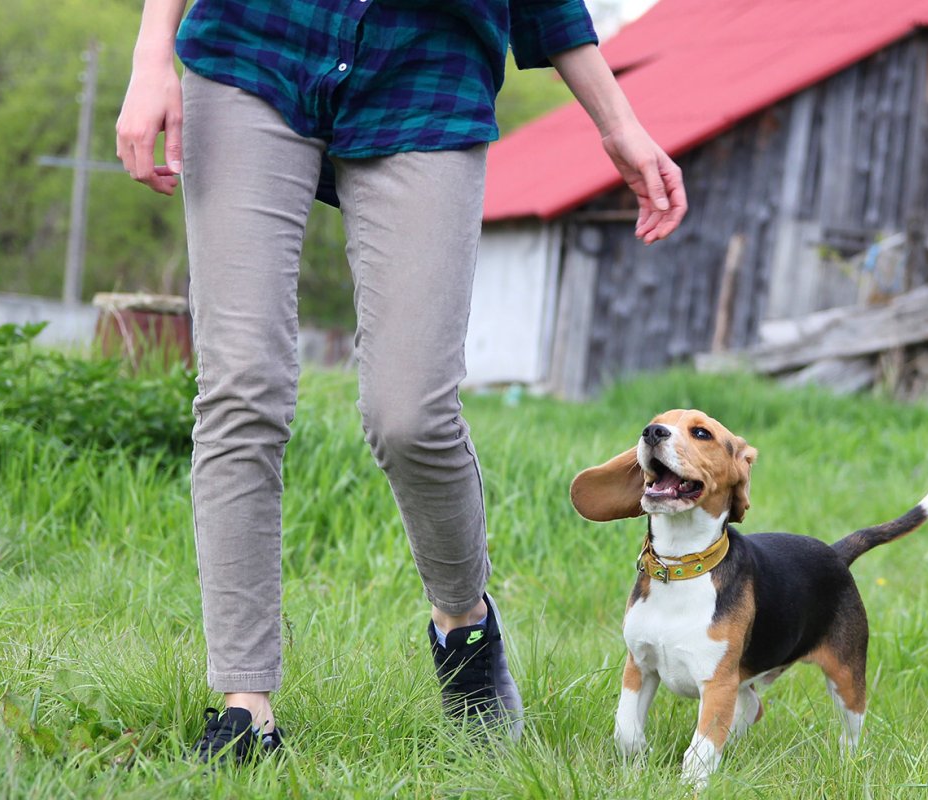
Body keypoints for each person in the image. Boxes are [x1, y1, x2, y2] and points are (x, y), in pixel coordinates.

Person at [116, 0, 686, 762]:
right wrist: (152, 52)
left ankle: (464, 624)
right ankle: (246, 708)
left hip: (428, 74)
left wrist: (618, 124)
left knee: (410, 413)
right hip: (256, 46)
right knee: (241, 387)